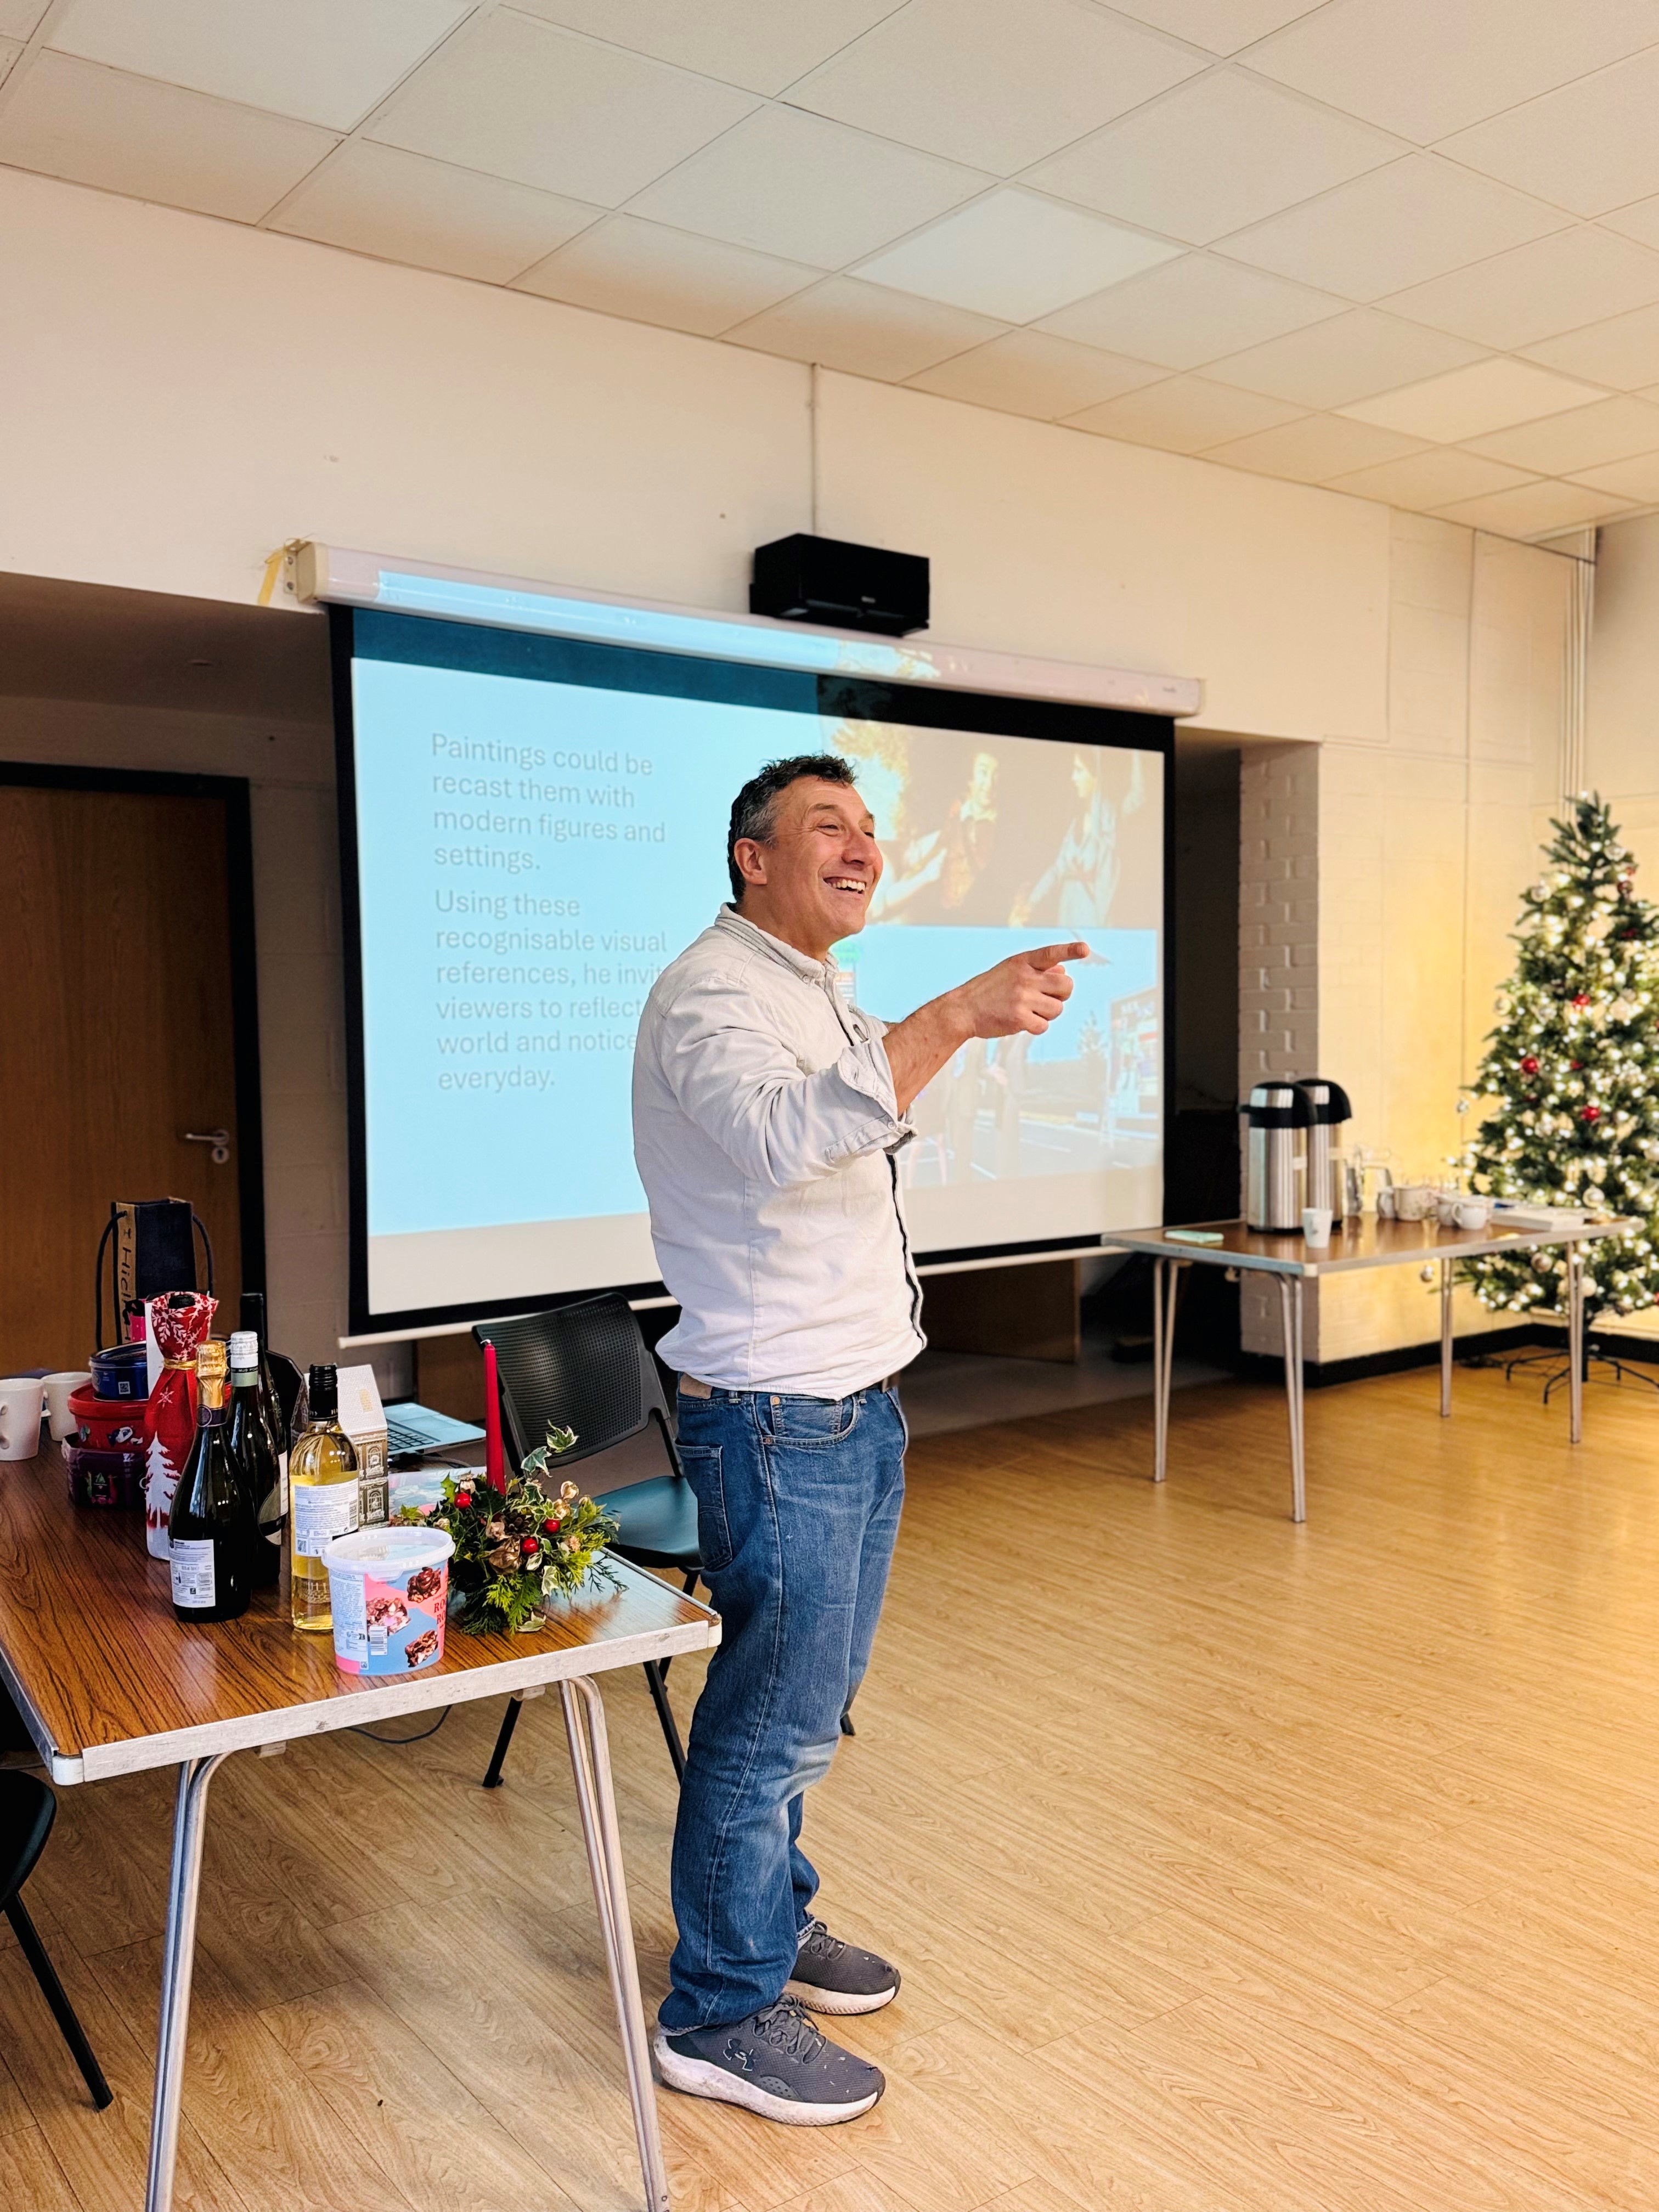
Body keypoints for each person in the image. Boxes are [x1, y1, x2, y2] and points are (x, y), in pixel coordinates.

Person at [633, 753, 1088, 2127]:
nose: (863, 848)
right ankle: (718, 2013)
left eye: (872, 828)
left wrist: (937, 1030)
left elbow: (843, 1126)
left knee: (807, 1707)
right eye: (827, 825)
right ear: (751, 857)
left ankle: (767, 1925)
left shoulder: (813, 985)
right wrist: (954, 1016)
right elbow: (783, 1140)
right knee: (770, 1723)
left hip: (853, 1399)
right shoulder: (710, 993)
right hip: (779, 1417)